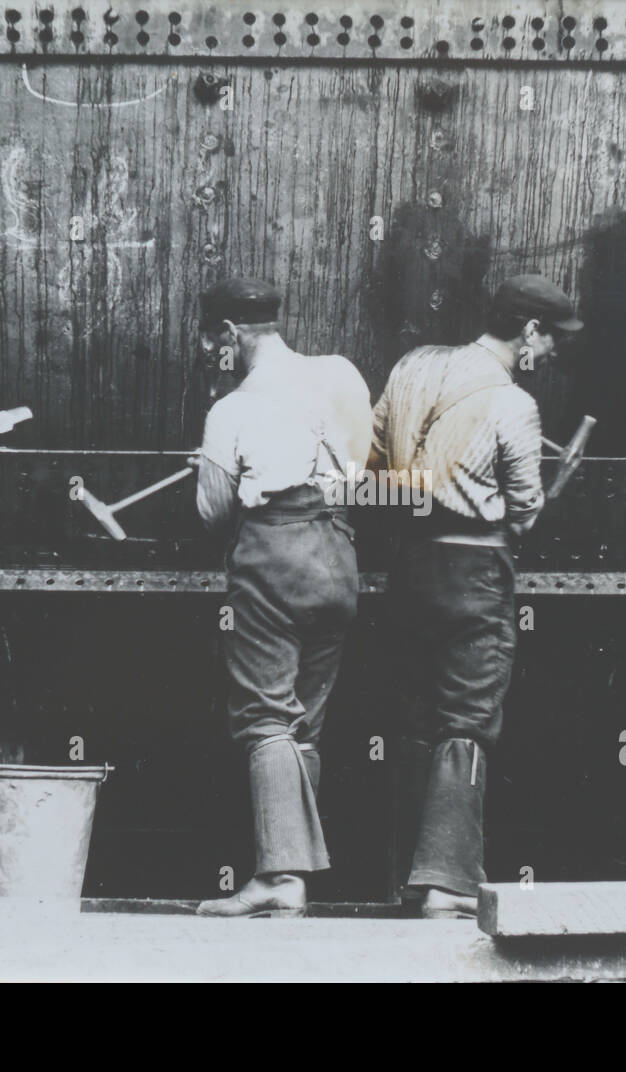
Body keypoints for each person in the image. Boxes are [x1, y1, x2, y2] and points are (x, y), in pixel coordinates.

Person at [370, 274, 582, 918]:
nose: (550, 356)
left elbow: (375, 464)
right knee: (466, 718)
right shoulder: (513, 404)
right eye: (551, 343)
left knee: (412, 720)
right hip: (476, 571)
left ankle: (403, 878)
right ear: (529, 332)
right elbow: (523, 511)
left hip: (407, 565)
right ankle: (448, 883)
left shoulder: (412, 368)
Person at [192, 277, 371, 917]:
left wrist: (213, 469)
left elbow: (213, 512)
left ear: (232, 334)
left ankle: (278, 877)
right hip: (338, 554)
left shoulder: (232, 408)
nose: (214, 351)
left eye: (214, 340)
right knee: (306, 722)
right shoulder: (339, 374)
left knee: (266, 714)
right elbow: (363, 461)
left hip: (274, 557)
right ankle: (294, 875)